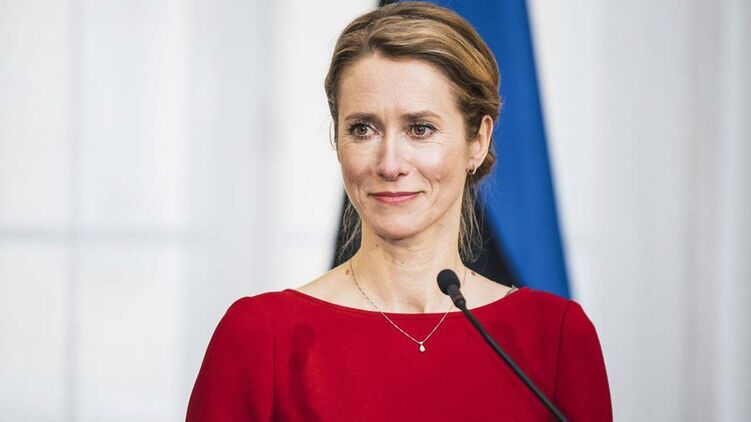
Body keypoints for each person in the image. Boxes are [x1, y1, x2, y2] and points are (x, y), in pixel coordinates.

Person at [186, 2, 612, 421]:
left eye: (420, 129)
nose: (389, 164)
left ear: (478, 141)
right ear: (337, 140)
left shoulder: (557, 337)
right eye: (362, 129)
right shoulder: (260, 336)